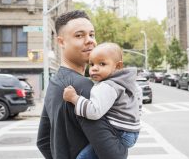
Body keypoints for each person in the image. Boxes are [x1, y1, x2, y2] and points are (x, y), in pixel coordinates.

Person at [36, 10, 128, 159]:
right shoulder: (85, 88)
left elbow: (43, 142)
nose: (89, 40)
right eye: (79, 35)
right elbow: (114, 155)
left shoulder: (54, 83)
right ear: (61, 42)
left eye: (91, 34)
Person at [63, 42, 142, 159]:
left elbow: (94, 112)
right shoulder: (129, 84)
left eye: (102, 64)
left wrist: (74, 98)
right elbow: (138, 107)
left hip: (118, 132)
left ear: (118, 66)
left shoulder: (107, 86)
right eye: (92, 64)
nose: (94, 68)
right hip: (132, 132)